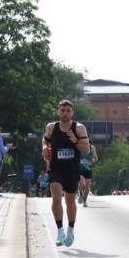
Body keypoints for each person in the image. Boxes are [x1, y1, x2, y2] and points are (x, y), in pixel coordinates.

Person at [43, 100, 90, 247]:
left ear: (72, 113)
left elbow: (86, 150)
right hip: (56, 168)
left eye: (68, 110)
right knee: (56, 197)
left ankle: (70, 229)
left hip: (72, 169)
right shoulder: (51, 127)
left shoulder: (79, 128)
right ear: (58, 112)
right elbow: (45, 140)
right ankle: (59, 230)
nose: (65, 113)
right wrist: (44, 148)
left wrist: (75, 140)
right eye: (62, 110)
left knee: (70, 201)